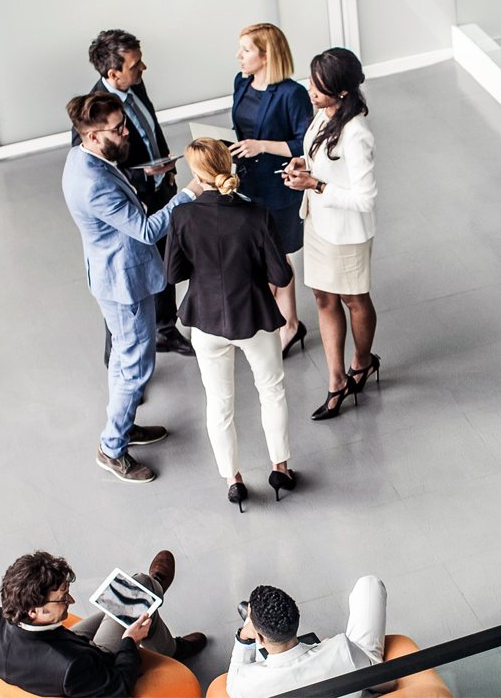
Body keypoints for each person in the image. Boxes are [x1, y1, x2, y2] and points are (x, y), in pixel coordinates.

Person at [62, 92, 200, 483]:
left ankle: (124, 426)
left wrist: (145, 174)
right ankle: (112, 448)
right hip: (124, 281)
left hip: (109, 272)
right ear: (90, 135)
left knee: (125, 359)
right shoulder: (93, 185)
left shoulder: (81, 157)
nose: (126, 133)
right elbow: (145, 230)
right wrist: (188, 194)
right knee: (136, 366)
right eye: (118, 129)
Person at [164, 139, 297, 510]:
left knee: (219, 403)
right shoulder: (258, 216)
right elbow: (281, 276)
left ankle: (233, 480)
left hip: (205, 321)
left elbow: (173, 274)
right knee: (271, 391)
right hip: (253, 318)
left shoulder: (182, 217)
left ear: (197, 175)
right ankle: (280, 468)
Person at [72, 29, 195, 361]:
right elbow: (97, 174)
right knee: (124, 293)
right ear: (113, 73)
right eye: (135, 64)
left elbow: (150, 128)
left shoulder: (135, 85)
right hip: (132, 205)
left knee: (166, 263)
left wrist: (166, 165)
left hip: (161, 191)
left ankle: (166, 330)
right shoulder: (91, 115)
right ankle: (119, 364)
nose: (143, 69)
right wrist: (142, 174)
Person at [0, 550, 206, 698]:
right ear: (33, 612)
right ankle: (167, 638)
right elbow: (119, 686)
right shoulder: (73, 667)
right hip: (90, 657)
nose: (71, 600)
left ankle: (151, 594)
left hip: (58, 644)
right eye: (63, 598)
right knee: (139, 591)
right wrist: (130, 641)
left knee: (136, 600)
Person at [282, 48, 380, 421]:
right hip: (319, 224)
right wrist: (303, 163)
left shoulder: (357, 134)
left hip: (347, 233)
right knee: (324, 297)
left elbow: (365, 198)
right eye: (311, 82)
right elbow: (318, 154)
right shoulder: (324, 114)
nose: (310, 91)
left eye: (318, 87)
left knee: (354, 300)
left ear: (341, 93)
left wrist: (316, 185)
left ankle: (362, 362)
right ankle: (336, 380)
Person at [229, 23, 313, 357]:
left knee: (278, 256)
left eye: (246, 50)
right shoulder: (241, 82)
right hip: (248, 184)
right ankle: (274, 319)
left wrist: (261, 145)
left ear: (267, 55)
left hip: (279, 189)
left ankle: (290, 324)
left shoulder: (291, 93)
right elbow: (242, 128)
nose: (239, 56)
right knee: (258, 255)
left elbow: (304, 145)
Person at [227, 576, 389, 698]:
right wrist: (325, 650)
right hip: (347, 671)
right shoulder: (342, 648)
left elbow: (231, 688)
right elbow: (385, 683)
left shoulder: (247, 683)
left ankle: (252, 621)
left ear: (259, 638)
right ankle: (256, 622)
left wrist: (244, 637)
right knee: (369, 584)